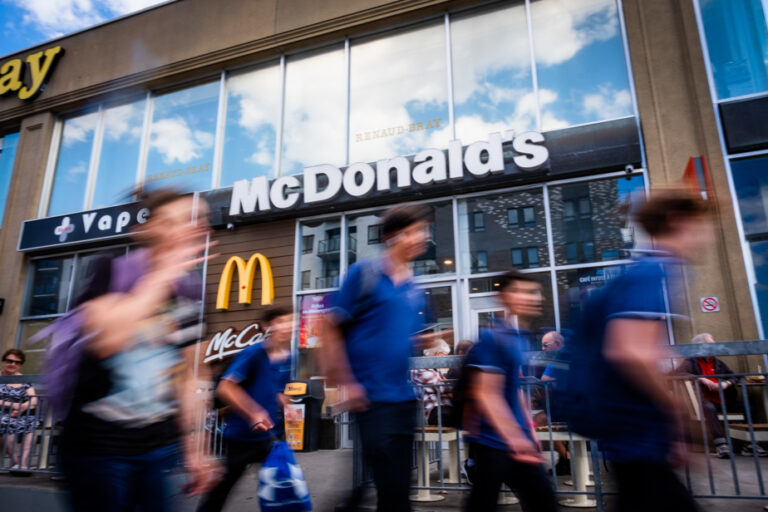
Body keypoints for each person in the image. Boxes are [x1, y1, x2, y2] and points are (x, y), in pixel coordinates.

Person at [57, 189, 217, 512]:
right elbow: (106, 341)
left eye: (197, 220)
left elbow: (191, 375)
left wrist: (197, 449)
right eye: (177, 221)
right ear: (148, 229)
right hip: (96, 449)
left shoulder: (193, 291)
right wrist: (162, 276)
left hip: (156, 448)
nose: (190, 228)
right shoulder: (113, 269)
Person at [567, 189, 712, 512]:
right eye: (701, 224)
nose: (707, 235)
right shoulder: (651, 273)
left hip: (631, 434)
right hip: (634, 433)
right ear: (676, 221)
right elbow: (629, 352)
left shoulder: (643, 273)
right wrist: (679, 413)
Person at [323, 203, 431, 512]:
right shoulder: (364, 274)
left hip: (403, 399)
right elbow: (330, 329)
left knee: (393, 485)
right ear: (394, 236)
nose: (423, 237)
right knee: (392, 486)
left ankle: (351, 504)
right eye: (415, 231)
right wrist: (346, 383)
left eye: (424, 230)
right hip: (371, 398)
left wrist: (424, 339)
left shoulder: (415, 288)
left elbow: (397, 336)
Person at [462, 270, 558, 512]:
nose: (531, 298)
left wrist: (530, 432)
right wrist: (517, 438)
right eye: (521, 292)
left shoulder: (518, 338)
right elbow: (487, 393)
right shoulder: (493, 340)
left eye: (534, 292)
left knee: (541, 502)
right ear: (503, 297)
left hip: (512, 441)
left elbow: (513, 390)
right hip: (492, 442)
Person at [198, 305, 295, 511]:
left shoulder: (288, 357)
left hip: (270, 436)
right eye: (280, 321)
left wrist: (289, 406)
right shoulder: (253, 353)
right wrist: (254, 413)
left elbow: (278, 390)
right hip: (242, 437)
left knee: (280, 488)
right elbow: (225, 387)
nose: (287, 326)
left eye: (290, 320)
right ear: (267, 326)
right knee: (224, 488)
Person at [678, 333, 763, 458]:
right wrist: (701, 379)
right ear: (700, 346)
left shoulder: (717, 362)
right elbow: (679, 373)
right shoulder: (691, 362)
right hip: (705, 402)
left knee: (749, 408)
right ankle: (721, 445)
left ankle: (750, 445)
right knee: (710, 408)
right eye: (710, 344)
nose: (715, 346)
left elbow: (733, 376)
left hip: (724, 401)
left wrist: (726, 383)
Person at [0, 349, 38, 474]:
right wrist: (14, 405)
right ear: (4, 361)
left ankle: (23, 464)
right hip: (4, 414)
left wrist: (22, 407)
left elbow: (33, 400)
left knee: (31, 426)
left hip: (22, 413)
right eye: (10, 361)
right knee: (5, 424)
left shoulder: (24, 379)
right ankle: (16, 462)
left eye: (17, 362)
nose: (13, 364)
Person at [411, 339, 453, 426]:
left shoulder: (435, 369)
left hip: (444, 409)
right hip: (435, 411)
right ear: (438, 354)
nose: (446, 360)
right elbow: (442, 388)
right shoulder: (421, 369)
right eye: (445, 356)